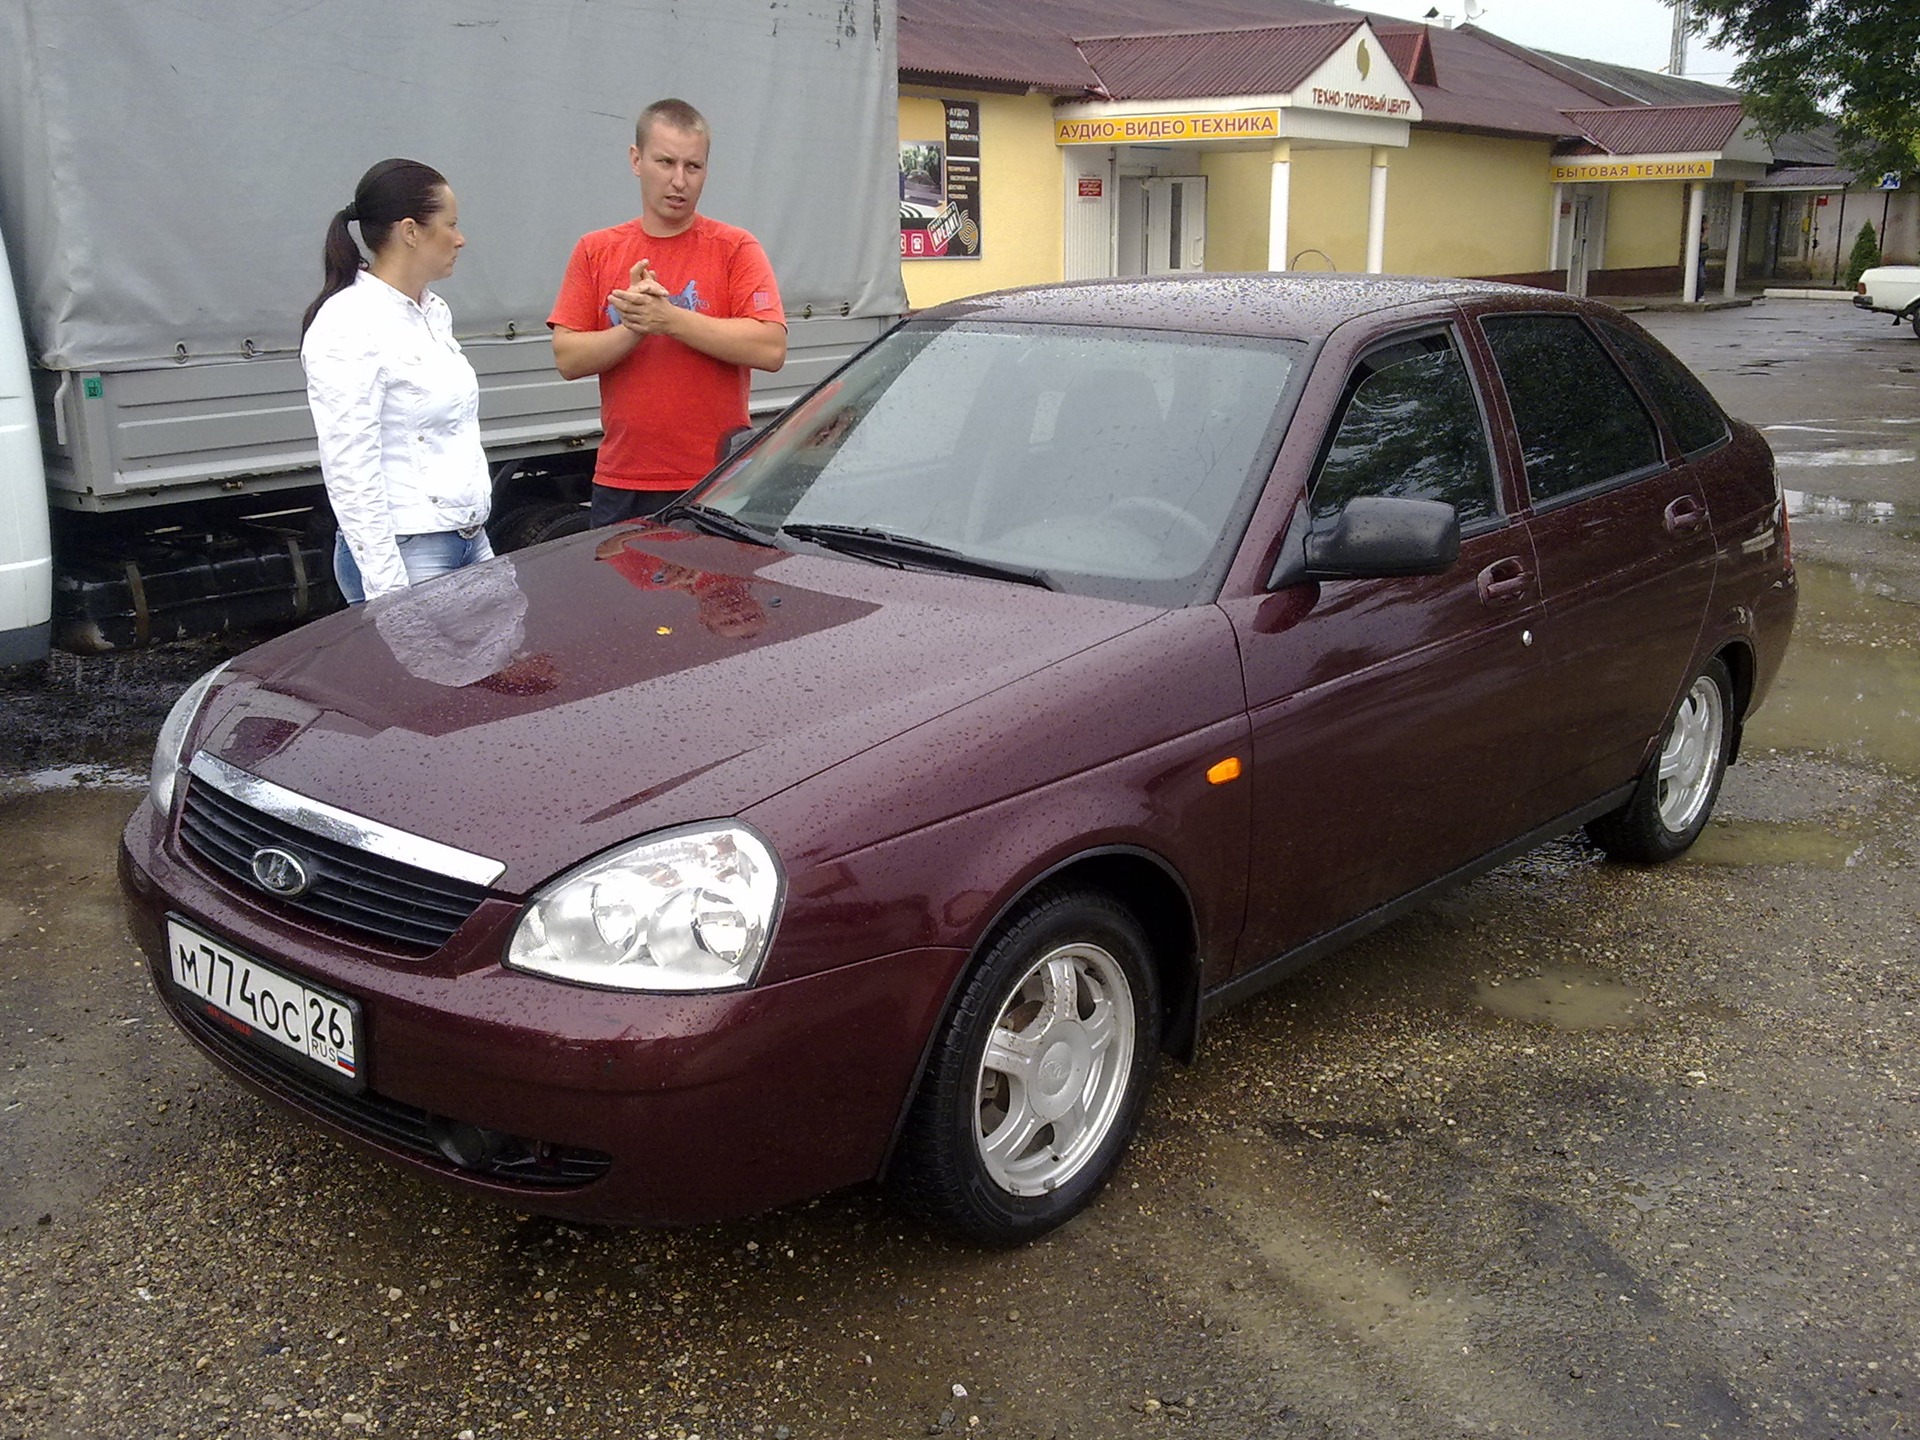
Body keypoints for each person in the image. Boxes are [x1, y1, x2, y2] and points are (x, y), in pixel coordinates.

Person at [547, 98, 787, 528]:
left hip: (716, 482)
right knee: (618, 597)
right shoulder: (595, 250)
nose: (679, 181)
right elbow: (567, 358)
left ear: (706, 171)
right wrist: (635, 327)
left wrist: (670, 319)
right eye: (665, 162)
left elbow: (771, 348)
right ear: (636, 160)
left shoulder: (735, 248)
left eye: (692, 167)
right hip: (622, 482)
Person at [300, 159, 493, 604]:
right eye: (451, 224)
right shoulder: (349, 323)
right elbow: (350, 467)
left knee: (493, 670)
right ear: (410, 231)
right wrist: (389, 593)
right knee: (421, 676)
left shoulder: (432, 312)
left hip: (468, 536)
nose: (461, 238)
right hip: (410, 550)